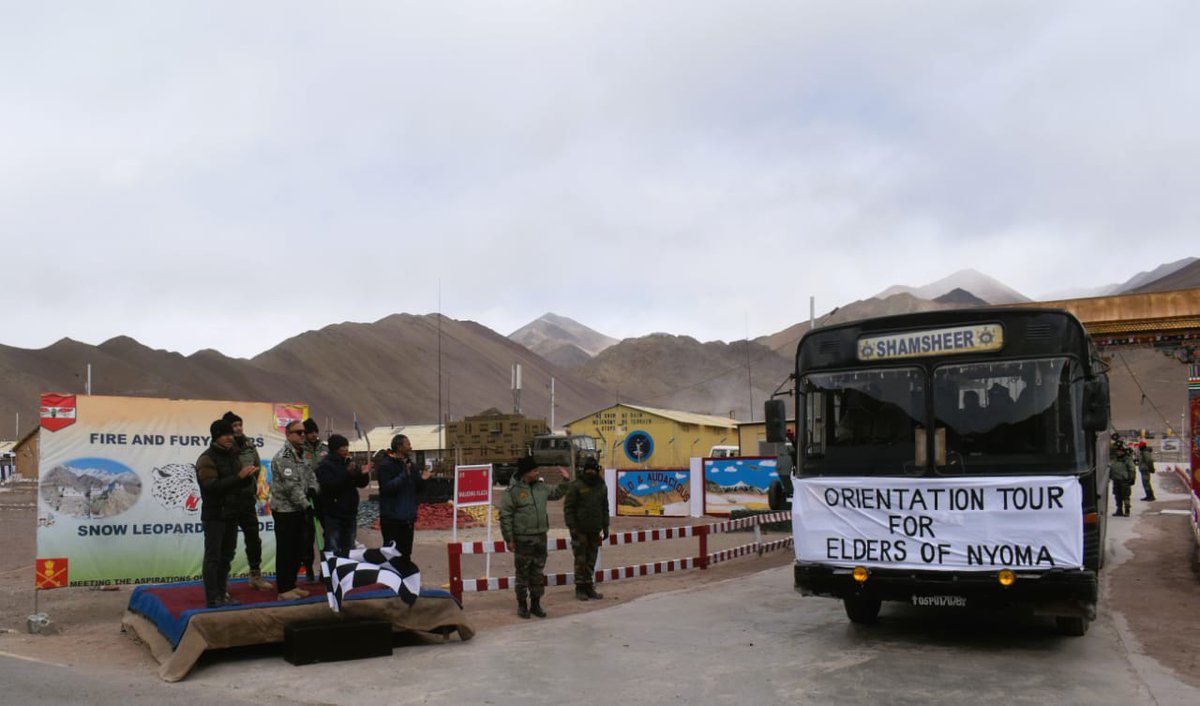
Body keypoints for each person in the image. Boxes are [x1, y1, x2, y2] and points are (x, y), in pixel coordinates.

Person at [195, 418, 258, 607]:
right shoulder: (206, 458)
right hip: (215, 515)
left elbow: (238, 482)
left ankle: (223, 594)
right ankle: (212, 598)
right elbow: (210, 486)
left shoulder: (234, 455)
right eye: (226, 434)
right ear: (216, 437)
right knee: (213, 557)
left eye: (231, 434)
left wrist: (248, 477)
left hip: (232, 513)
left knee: (227, 556)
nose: (231, 437)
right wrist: (238, 477)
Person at [499, 455, 570, 618]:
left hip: (540, 538)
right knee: (522, 574)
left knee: (538, 573)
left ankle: (536, 604)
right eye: (534, 470)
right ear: (525, 472)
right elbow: (506, 515)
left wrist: (565, 480)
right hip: (523, 539)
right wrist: (509, 538)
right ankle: (522, 605)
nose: (537, 473)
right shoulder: (513, 491)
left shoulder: (541, 487)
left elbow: (557, 493)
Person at [221, 411, 273, 592]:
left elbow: (257, 466)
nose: (238, 428)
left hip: (247, 499)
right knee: (227, 542)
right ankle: (221, 581)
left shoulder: (249, 443)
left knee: (253, 538)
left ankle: (255, 576)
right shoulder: (224, 445)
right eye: (234, 425)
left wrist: (251, 485)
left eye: (239, 424)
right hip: (229, 500)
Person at [271, 420, 318, 600]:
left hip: (299, 508)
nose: (302, 435)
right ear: (288, 434)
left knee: (297, 549)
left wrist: (314, 489)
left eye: (303, 432)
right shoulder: (284, 457)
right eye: (298, 432)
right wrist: (307, 505)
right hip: (285, 510)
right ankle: (283, 589)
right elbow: (291, 487)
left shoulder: (302, 455)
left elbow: (310, 475)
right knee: (286, 550)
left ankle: (291, 584)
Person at [376, 433, 431, 558]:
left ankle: (404, 577)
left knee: (405, 554)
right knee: (391, 554)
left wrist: (423, 480)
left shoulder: (411, 466)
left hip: (407, 518)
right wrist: (403, 475)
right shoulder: (386, 465)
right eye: (408, 444)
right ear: (399, 447)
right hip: (392, 519)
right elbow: (387, 488)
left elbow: (418, 489)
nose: (410, 447)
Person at [315, 434, 371, 554]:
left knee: (350, 547)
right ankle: (331, 571)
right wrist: (347, 473)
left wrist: (363, 474)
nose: (346, 449)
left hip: (350, 512)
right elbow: (330, 485)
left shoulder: (348, 462)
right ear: (335, 448)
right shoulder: (325, 465)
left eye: (347, 446)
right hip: (333, 512)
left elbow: (360, 484)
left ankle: (347, 571)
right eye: (342, 447)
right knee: (333, 547)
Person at [564, 456, 609, 601]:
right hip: (580, 530)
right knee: (580, 560)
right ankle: (580, 588)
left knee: (591, 560)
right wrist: (572, 527)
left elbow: (605, 507)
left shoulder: (601, 486)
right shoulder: (576, 486)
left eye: (592, 470)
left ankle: (589, 587)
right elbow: (568, 508)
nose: (590, 472)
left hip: (594, 529)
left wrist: (605, 526)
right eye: (588, 469)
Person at [300, 417, 329, 579]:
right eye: (309, 432)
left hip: (323, 497)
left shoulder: (325, 449)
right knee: (308, 535)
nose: (313, 435)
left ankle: (325, 568)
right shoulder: (300, 450)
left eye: (315, 432)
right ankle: (309, 568)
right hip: (307, 496)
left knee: (327, 533)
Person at [1109, 443, 1136, 517]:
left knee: (1125, 496)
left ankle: (1127, 510)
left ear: (1124, 452)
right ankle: (1119, 510)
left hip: (1124, 481)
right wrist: (1110, 476)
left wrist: (1132, 479)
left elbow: (1132, 469)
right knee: (1117, 496)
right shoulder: (1115, 459)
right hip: (1116, 480)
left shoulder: (1127, 459)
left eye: (1120, 451)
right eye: (1118, 451)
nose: (1119, 452)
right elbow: (1111, 468)